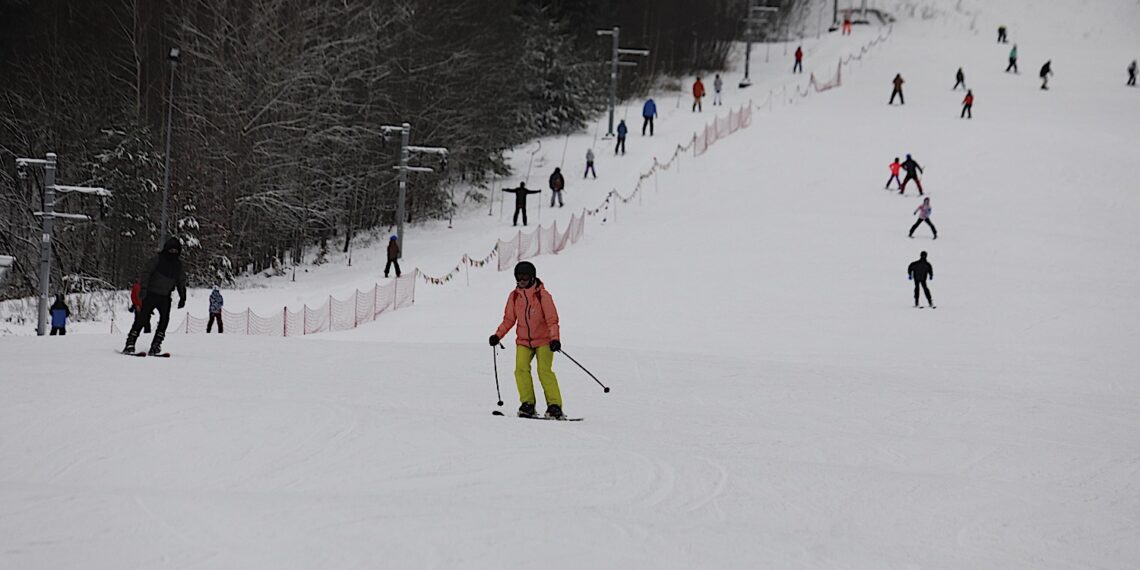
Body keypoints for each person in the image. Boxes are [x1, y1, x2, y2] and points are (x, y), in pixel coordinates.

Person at [488, 261, 565, 419]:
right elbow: (509, 319)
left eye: (525, 276)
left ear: (532, 277)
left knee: (544, 371)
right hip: (524, 341)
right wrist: (498, 335)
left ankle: (554, 406)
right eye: (519, 276)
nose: (522, 280)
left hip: (544, 341)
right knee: (520, 370)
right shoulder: (515, 296)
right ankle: (528, 405)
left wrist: (555, 339)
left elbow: (552, 319)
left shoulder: (542, 295)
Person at [122, 237, 187, 355]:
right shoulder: (157, 260)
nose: (173, 253)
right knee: (142, 319)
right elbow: (146, 273)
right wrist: (143, 289)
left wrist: (183, 296)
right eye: (171, 250)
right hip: (151, 294)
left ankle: (156, 345)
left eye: (175, 251)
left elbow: (180, 281)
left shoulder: (178, 265)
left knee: (164, 321)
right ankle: (130, 343)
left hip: (165, 296)